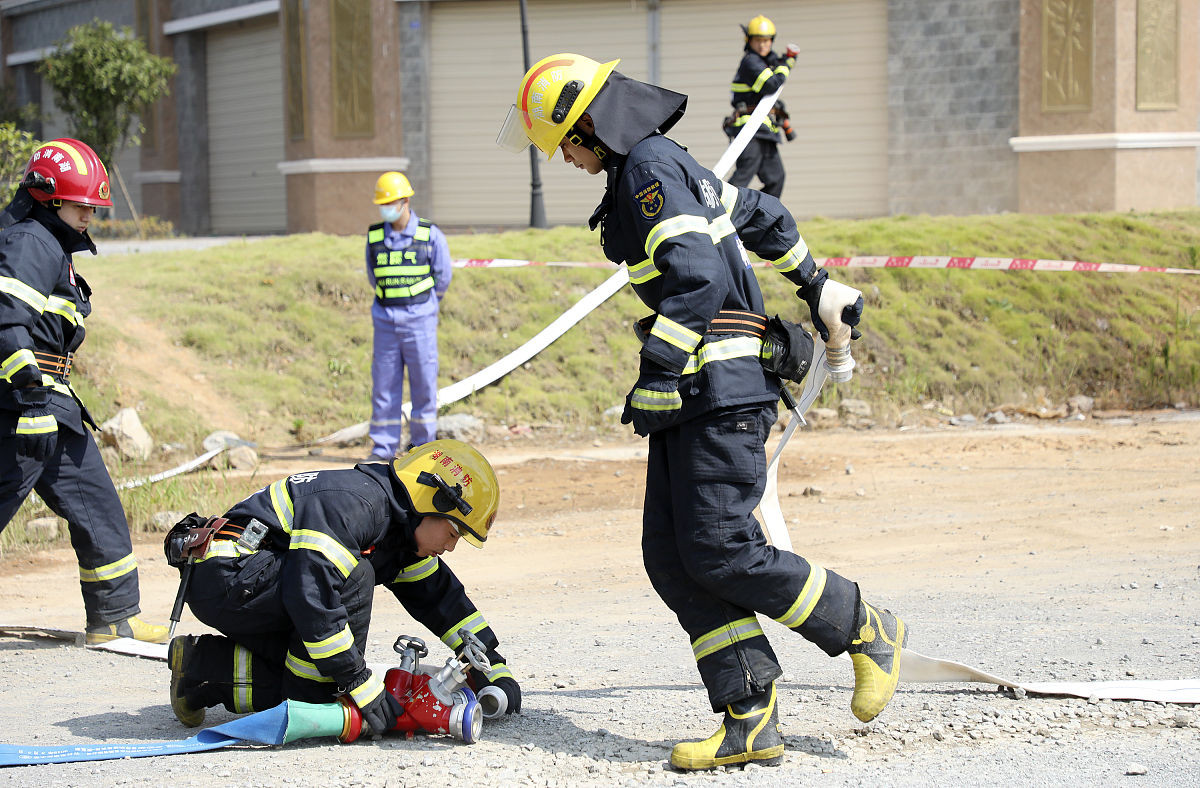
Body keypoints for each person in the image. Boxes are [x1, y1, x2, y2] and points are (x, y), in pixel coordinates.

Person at [497, 54, 907, 771]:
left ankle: (864, 626)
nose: (563, 158)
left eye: (562, 142)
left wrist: (659, 367)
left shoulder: (649, 168)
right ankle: (750, 716)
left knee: (720, 547)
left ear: (589, 126)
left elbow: (699, 274)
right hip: (696, 394)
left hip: (720, 389)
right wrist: (815, 282)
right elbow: (764, 215)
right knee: (674, 556)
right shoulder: (665, 165)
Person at [165, 439, 520, 737]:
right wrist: (358, 682)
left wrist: (492, 667)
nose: (451, 547)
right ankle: (305, 695)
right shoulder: (358, 504)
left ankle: (199, 670)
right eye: (453, 533)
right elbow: (312, 594)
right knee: (351, 588)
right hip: (229, 575)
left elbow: (440, 598)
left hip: (251, 579)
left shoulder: (398, 530)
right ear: (433, 501)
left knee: (313, 685)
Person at [0, 138, 167, 646]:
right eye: (80, 205)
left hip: (53, 404)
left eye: (93, 206)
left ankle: (114, 618)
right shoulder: (31, 241)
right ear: (48, 199)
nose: (89, 215)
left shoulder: (52, 245)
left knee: (97, 506)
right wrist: (30, 401)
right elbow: (6, 324)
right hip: (21, 405)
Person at [365, 172, 452, 461]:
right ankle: (383, 450)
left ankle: (422, 448)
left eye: (390, 203)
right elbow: (373, 276)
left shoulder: (430, 235)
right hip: (385, 322)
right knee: (384, 386)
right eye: (382, 204)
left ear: (405, 201)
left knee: (424, 385)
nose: (386, 208)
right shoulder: (374, 237)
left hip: (420, 322)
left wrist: (424, 306)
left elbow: (443, 277)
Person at [725, 14, 798, 198]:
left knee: (776, 179)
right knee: (743, 176)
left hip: (765, 130)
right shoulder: (750, 62)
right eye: (758, 40)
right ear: (749, 41)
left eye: (766, 40)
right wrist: (787, 64)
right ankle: (722, 210)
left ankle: (758, 213)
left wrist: (782, 63)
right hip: (749, 128)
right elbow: (771, 85)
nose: (762, 45)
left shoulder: (767, 63)